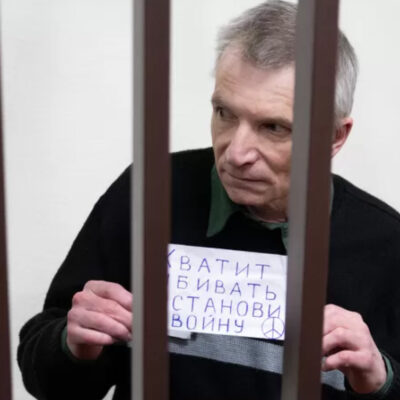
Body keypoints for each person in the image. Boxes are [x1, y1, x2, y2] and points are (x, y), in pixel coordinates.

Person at [18, 1, 400, 399]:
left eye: (273, 127)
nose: (236, 152)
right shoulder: (150, 192)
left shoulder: (385, 244)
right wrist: (73, 346)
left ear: (334, 137)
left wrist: (381, 380)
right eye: (225, 113)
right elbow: (46, 377)